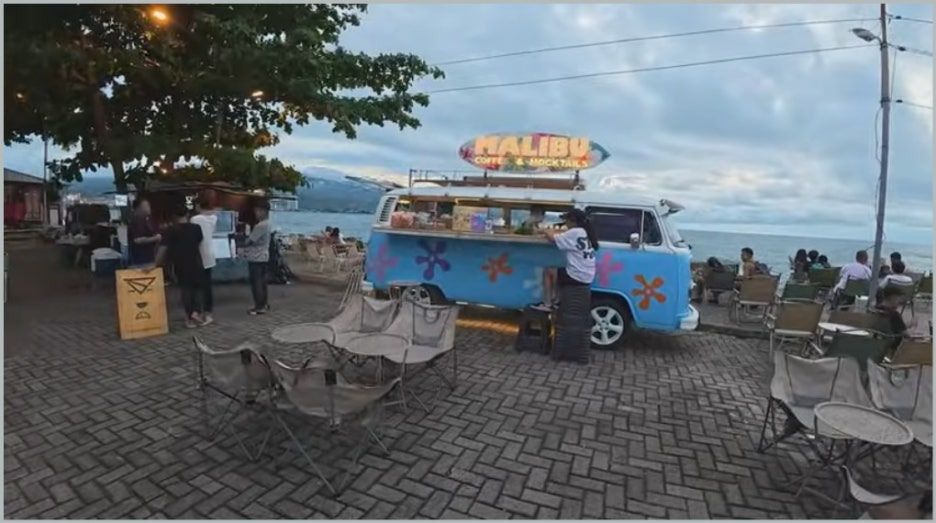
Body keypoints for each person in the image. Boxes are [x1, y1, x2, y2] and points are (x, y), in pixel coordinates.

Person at [151, 205, 207, 328]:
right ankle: (197, 312)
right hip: (196, 261)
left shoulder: (171, 230)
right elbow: (199, 243)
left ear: (174, 217)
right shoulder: (196, 228)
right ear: (187, 214)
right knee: (197, 288)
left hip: (180, 263)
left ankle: (189, 317)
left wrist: (155, 265)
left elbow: (163, 249)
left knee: (186, 289)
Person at [532, 209, 598, 311]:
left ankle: (547, 304)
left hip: (578, 275)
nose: (565, 223)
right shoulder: (585, 231)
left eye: (567, 220)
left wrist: (545, 230)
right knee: (558, 271)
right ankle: (557, 300)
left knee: (549, 271)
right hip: (587, 275)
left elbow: (553, 238)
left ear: (573, 221)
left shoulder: (575, 232)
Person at [189, 195, 217, 325]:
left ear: (198, 206)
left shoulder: (195, 219)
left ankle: (197, 311)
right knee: (207, 286)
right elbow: (212, 214)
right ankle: (208, 313)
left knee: (196, 285)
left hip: (198, 255)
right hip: (210, 254)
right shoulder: (213, 218)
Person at [243, 199, 272, 315]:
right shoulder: (268, 223)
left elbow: (250, 241)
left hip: (256, 257)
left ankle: (259, 306)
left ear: (264, 211)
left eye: (258, 211)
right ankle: (264, 304)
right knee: (262, 282)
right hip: (264, 256)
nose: (256, 213)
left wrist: (245, 238)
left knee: (257, 283)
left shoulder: (261, 225)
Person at [128, 197, 162, 267]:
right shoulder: (137, 220)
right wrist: (156, 238)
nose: (149, 208)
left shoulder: (146, 220)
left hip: (147, 258)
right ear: (138, 208)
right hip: (141, 261)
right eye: (146, 206)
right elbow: (137, 240)